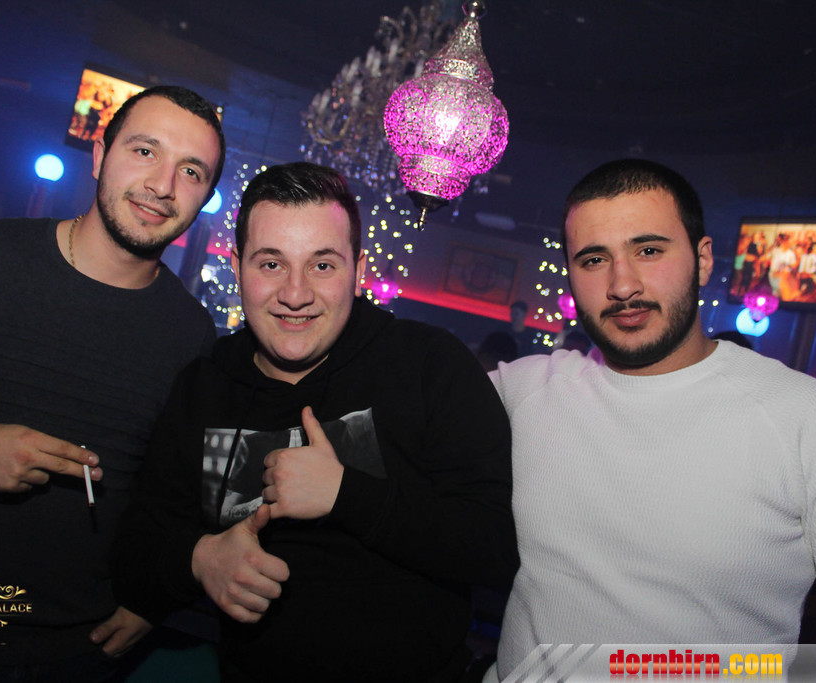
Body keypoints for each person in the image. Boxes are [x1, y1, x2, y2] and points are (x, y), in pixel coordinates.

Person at [487, 159, 816, 681]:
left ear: (703, 259)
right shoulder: (527, 390)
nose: (623, 284)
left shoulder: (811, 421)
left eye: (649, 250)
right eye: (594, 259)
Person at [113, 162, 518, 682]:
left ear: (358, 269)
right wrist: (199, 558)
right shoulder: (204, 384)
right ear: (237, 267)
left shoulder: (429, 366)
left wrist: (346, 494)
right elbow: (135, 548)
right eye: (271, 264)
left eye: (322, 265)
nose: (295, 293)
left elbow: (495, 548)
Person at [0, 85, 224, 680]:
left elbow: (179, 496)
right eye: (145, 151)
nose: (163, 184)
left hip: (83, 655)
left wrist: (154, 597)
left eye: (191, 171)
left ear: (204, 196)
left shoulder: (192, 335)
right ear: (100, 155)